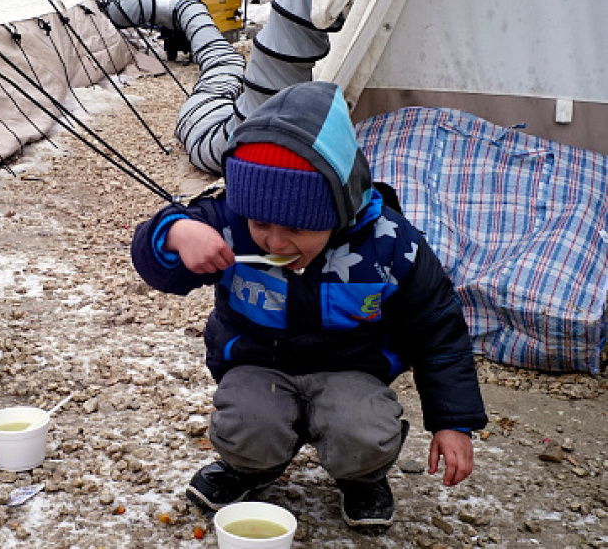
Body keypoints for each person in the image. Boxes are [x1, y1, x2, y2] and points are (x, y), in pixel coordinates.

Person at [130, 81, 487, 534]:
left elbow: (438, 329)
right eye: (260, 223)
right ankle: (250, 468)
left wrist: (453, 422)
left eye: (298, 227)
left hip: (351, 372)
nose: (275, 242)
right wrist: (178, 231)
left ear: (337, 210)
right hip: (257, 366)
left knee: (362, 429)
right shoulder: (230, 222)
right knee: (247, 421)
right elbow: (156, 262)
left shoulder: (391, 244)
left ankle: (362, 476)